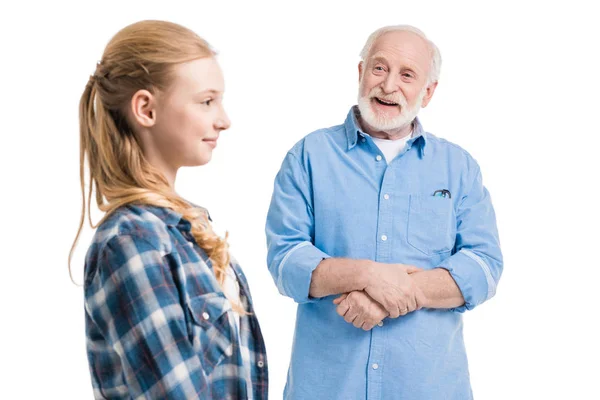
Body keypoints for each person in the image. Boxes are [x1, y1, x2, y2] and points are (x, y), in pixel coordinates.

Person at [266, 24, 502, 399]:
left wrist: (392, 292)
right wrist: (367, 274)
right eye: (379, 68)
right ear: (360, 73)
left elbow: (484, 266)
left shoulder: (458, 167)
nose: (389, 85)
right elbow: (286, 261)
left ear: (428, 92)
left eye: (407, 75)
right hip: (327, 388)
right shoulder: (308, 156)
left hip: (429, 388)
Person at [69, 20, 268, 399]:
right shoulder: (131, 242)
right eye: (207, 101)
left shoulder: (184, 230)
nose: (224, 120)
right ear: (146, 108)